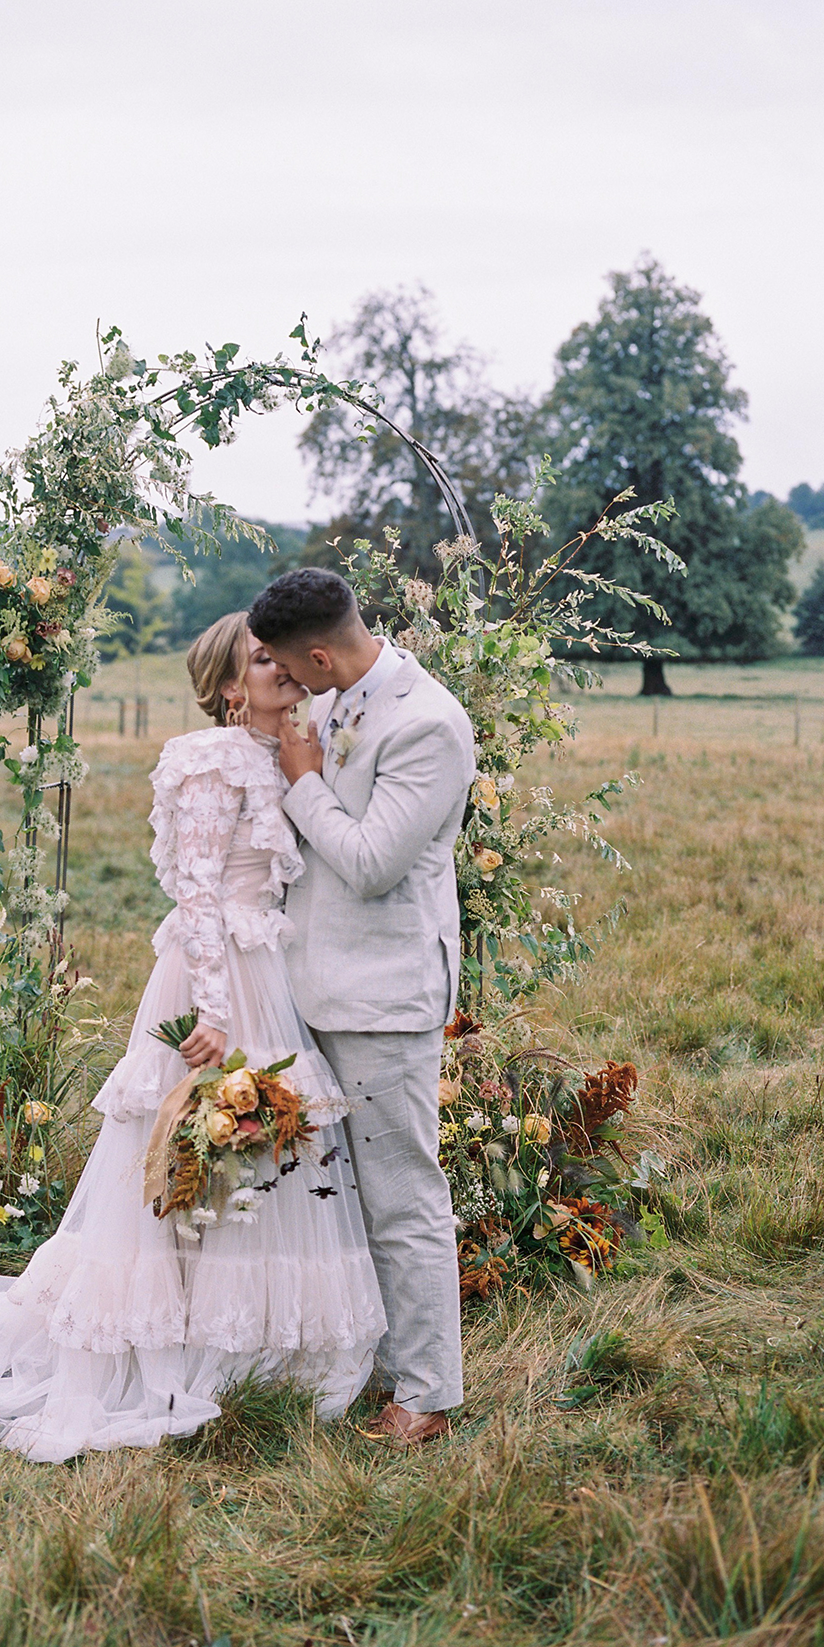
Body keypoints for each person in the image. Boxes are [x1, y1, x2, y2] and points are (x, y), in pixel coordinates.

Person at [0, 613, 385, 1462]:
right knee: (183, 1139)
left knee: (263, 1144)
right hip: (212, 974)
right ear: (229, 686)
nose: (283, 669)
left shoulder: (292, 753)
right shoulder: (208, 761)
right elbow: (196, 894)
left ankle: (250, 1348)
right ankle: (161, 1349)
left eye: (285, 655)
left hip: (270, 969)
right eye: (261, 660)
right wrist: (216, 1014)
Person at [247, 567, 477, 1449]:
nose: (285, 683)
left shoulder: (428, 722)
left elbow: (374, 860)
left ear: (315, 651)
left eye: (284, 666)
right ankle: (360, 1363)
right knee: (334, 1196)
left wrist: (301, 781)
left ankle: (427, 1393)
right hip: (312, 984)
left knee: (401, 1194)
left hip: (382, 998)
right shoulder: (341, 696)